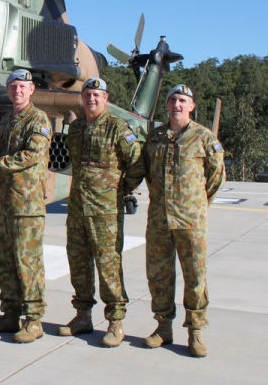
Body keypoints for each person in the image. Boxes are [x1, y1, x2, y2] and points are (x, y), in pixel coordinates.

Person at [57, 77, 144, 347]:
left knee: (108, 266)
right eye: (87, 95)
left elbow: (137, 166)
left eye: (97, 95)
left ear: (105, 99)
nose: (91, 99)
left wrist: (119, 190)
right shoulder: (77, 128)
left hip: (105, 212)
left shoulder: (119, 128)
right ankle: (82, 316)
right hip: (78, 209)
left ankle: (116, 321)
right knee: (79, 264)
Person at [143, 84, 225, 358]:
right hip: (159, 220)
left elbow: (216, 177)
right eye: (172, 100)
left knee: (195, 277)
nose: (176, 105)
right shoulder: (155, 137)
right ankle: (163, 327)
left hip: (190, 221)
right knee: (159, 276)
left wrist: (198, 203)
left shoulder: (203, 137)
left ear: (191, 106)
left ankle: (195, 331)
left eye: (182, 101)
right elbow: (149, 175)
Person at [0, 69, 52, 343]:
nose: (17, 90)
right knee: (4, 260)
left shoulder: (38, 119)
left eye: (22, 86)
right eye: (13, 86)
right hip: (3, 203)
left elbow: (30, 156)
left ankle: (33, 319)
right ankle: (10, 313)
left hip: (25, 206)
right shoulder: (7, 120)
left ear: (31, 90)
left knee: (27, 261)